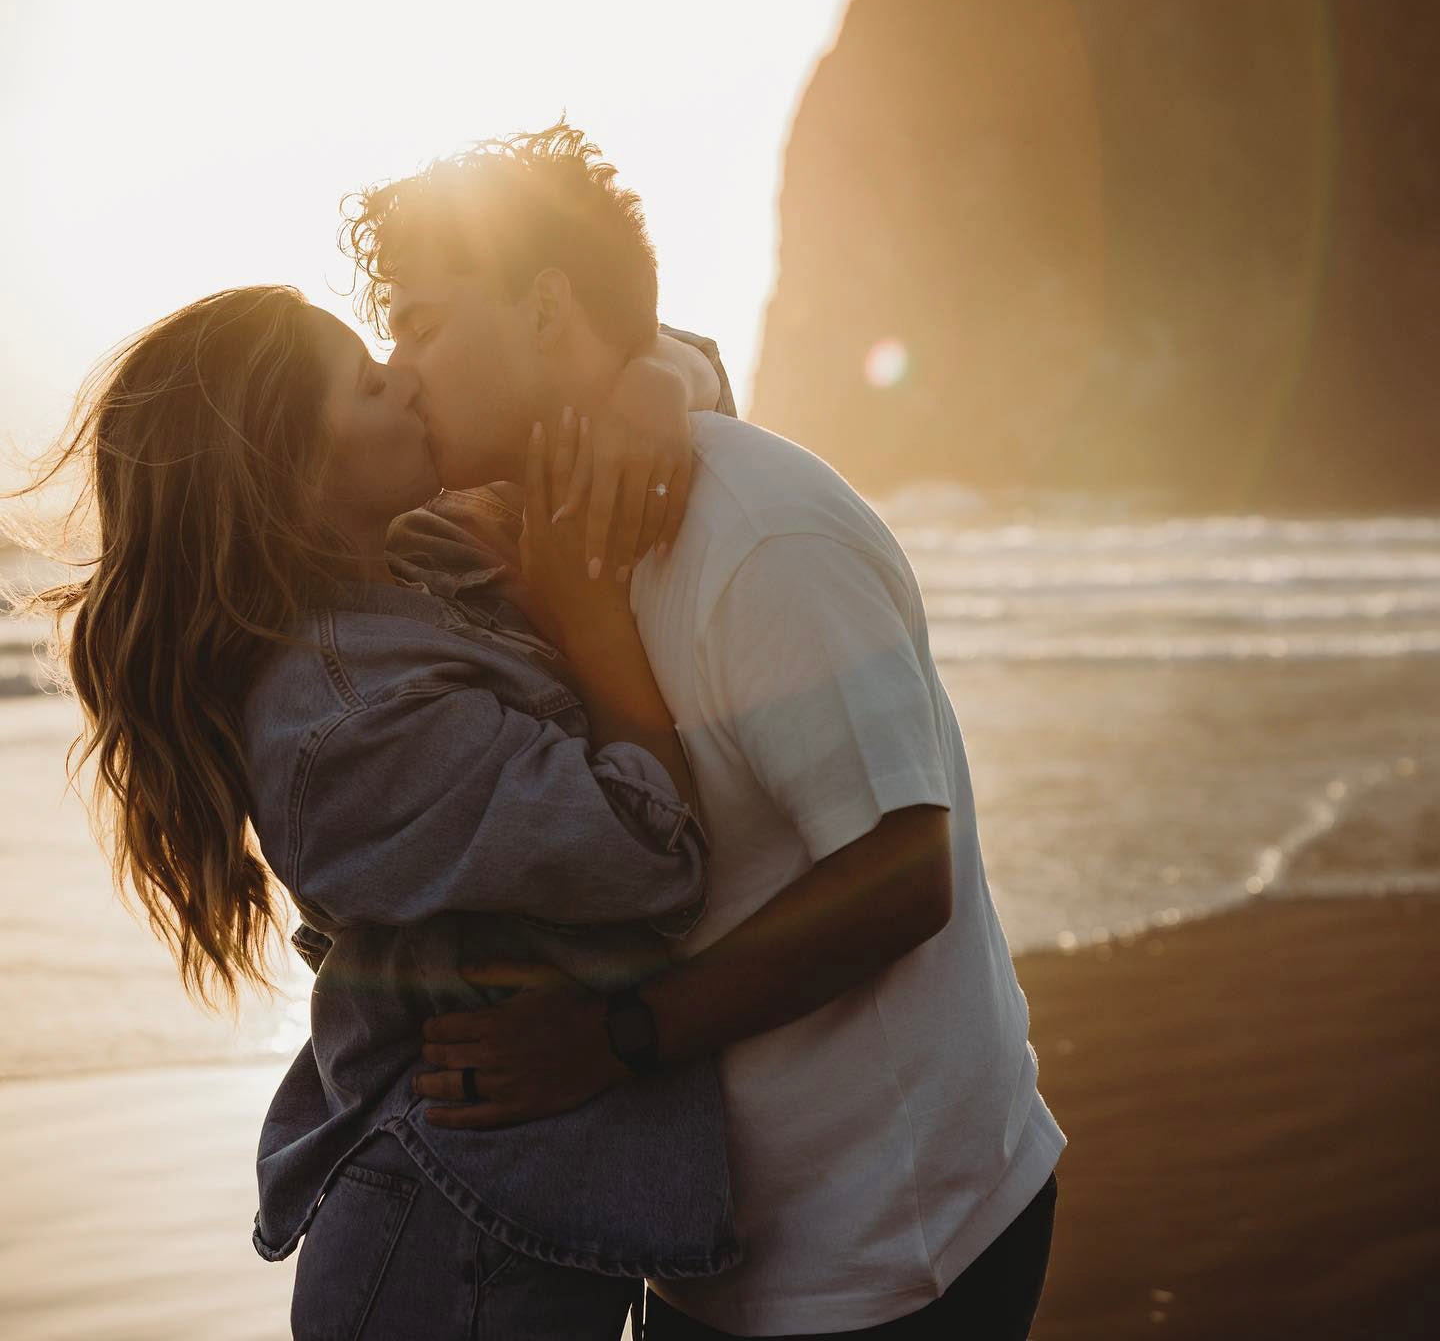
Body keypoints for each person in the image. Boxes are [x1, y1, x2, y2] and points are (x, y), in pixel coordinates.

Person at [342, 122, 1067, 1338]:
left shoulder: (764, 537)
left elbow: (902, 872)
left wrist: (606, 1041)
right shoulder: (513, 528)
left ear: (542, 309)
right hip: (705, 1245)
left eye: (421, 322)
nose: (398, 368)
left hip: (898, 1248)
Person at [21, 282, 742, 1340]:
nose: (405, 375)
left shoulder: (423, 560)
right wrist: (587, 621)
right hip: (447, 1248)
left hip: (509, 1213)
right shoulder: (343, 729)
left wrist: (650, 383)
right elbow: (652, 852)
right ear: (297, 478)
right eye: (367, 381)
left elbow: (687, 375)